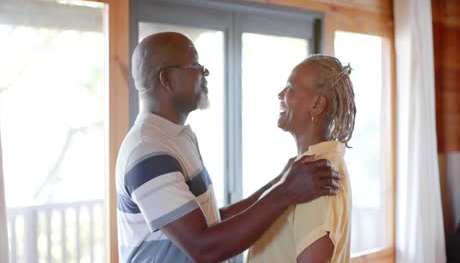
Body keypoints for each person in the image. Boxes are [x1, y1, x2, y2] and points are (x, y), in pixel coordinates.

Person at [115, 32, 342, 263]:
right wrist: (286, 191)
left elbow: (213, 221)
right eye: (195, 65)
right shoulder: (148, 151)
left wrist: (279, 183)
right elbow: (203, 248)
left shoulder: (179, 138)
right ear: (167, 79)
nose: (205, 73)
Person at [247, 54, 356, 263]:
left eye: (290, 88)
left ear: (317, 105)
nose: (280, 94)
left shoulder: (318, 174)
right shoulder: (307, 170)